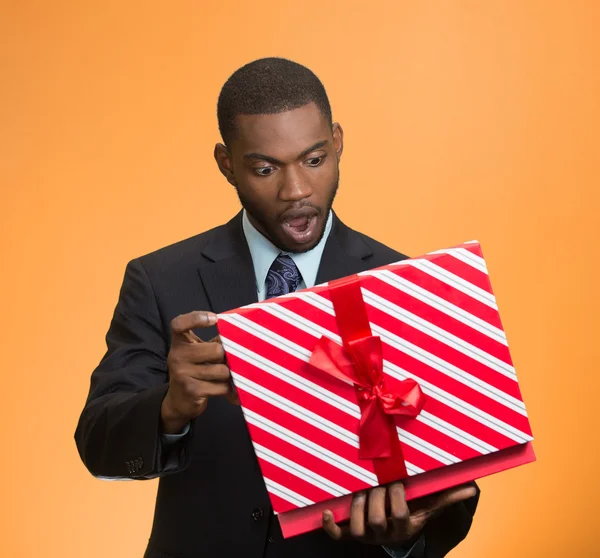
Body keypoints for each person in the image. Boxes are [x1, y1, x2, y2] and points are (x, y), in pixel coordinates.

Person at [75, 57, 480, 558]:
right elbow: (97, 444)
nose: (297, 192)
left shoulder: (406, 286)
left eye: (314, 160)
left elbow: (455, 477)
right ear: (227, 164)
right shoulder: (160, 280)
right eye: (266, 169)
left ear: (336, 142)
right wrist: (169, 408)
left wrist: (407, 536)